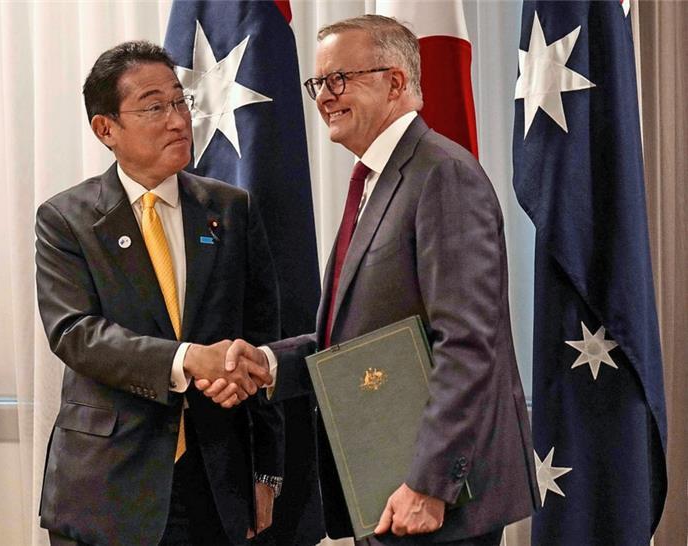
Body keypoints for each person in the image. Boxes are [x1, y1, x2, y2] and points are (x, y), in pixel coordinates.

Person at [200, 15, 540, 546]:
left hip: (437, 499)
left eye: (340, 79)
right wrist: (268, 364)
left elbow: (469, 343)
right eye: (318, 83)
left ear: (396, 82)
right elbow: (361, 336)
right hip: (383, 484)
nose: (324, 96)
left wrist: (428, 484)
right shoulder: (374, 181)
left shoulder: (442, 174)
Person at [35, 40, 284, 546]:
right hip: (108, 483)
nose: (177, 120)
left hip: (215, 482)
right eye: (153, 107)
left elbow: (263, 342)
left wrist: (268, 472)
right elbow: (75, 333)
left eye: (179, 101)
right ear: (106, 128)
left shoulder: (231, 209)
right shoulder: (66, 219)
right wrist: (187, 359)